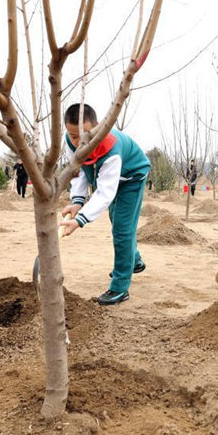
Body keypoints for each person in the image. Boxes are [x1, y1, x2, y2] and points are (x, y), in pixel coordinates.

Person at [58, 103, 151, 305]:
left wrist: (80, 219)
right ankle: (133, 260)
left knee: (122, 229)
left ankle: (120, 287)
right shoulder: (70, 141)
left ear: (98, 126)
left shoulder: (111, 148)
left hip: (131, 176)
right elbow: (80, 170)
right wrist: (77, 200)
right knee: (115, 219)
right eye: (73, 135)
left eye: (84, 134)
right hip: (108, 179)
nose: (79, 141)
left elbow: (105, 192)